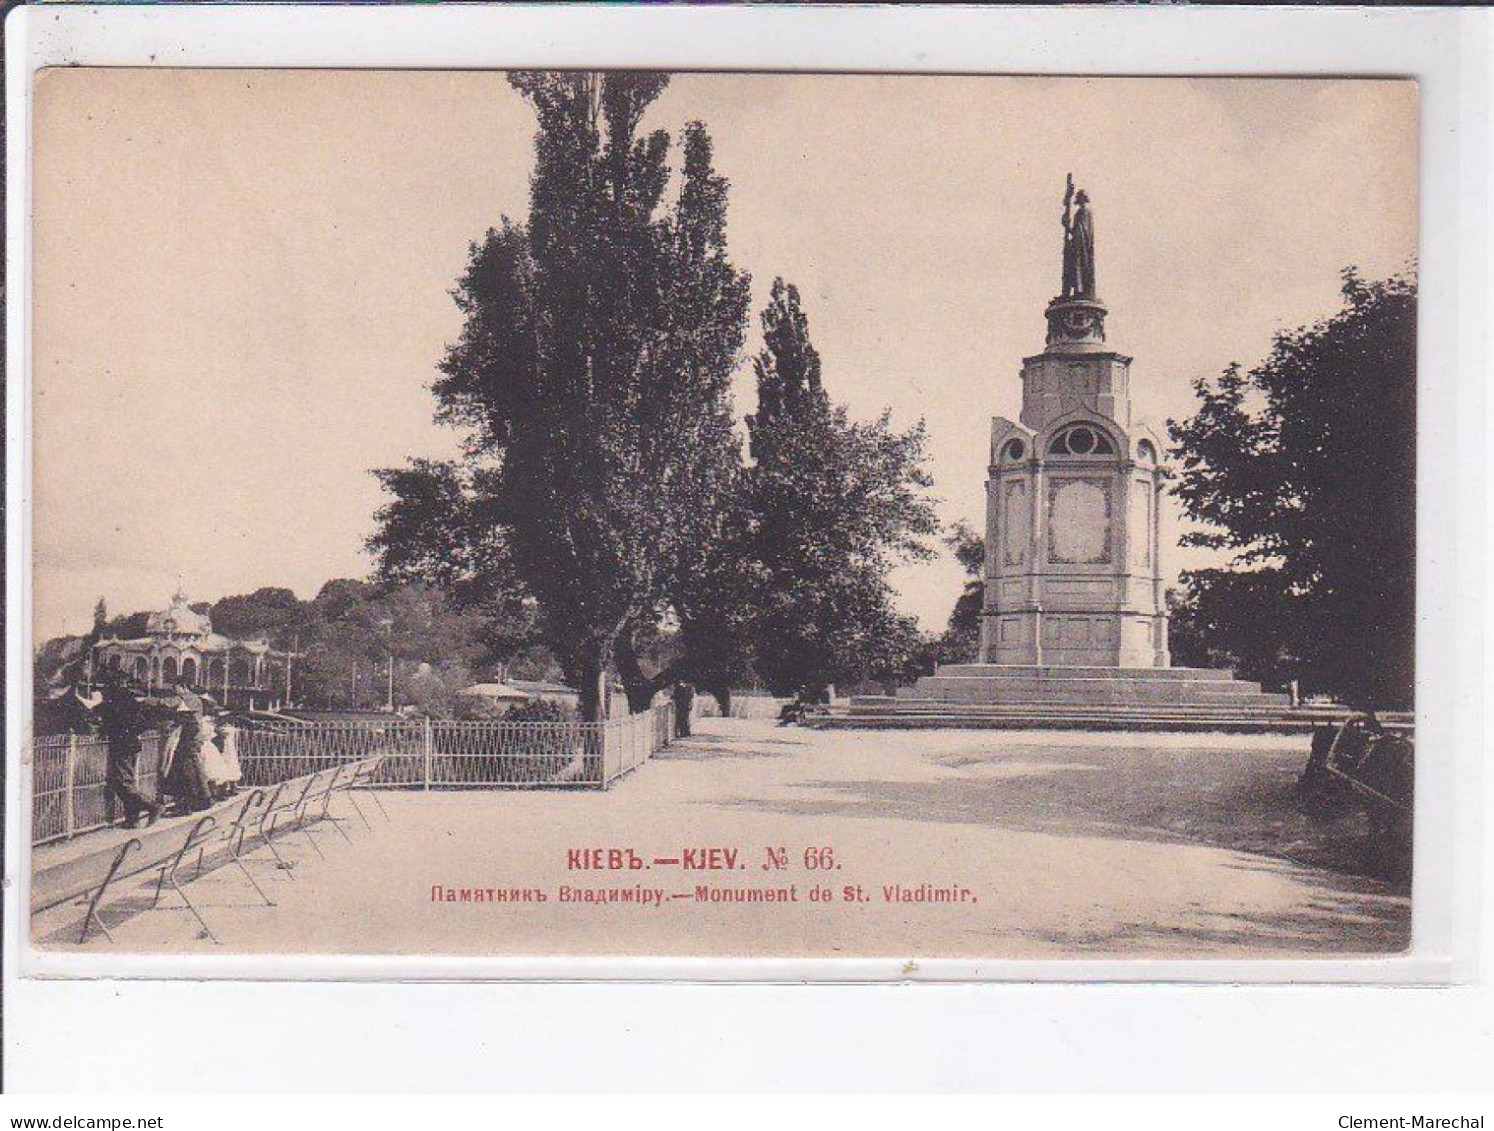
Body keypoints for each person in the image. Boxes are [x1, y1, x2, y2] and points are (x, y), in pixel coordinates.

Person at [95, 671, 162, 828]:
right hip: (131, 744)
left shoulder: (115, 699)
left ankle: (153, 806)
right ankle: (132, 820)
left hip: (121, 745)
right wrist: (133, 732)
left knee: (122, 783)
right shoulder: (133, 700)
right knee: (126, 781)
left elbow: (105, 718)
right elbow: (145, 722)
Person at [160, 681, 213, 814]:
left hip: (188, 742)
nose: (175, 690)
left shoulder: (188, 700)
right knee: (195, 771)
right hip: (193, 741)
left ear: (183, 686)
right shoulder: (194, 700)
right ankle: (202, 800)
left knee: (184, 773)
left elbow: (168, 703)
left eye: (176, 687)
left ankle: (186, 805)